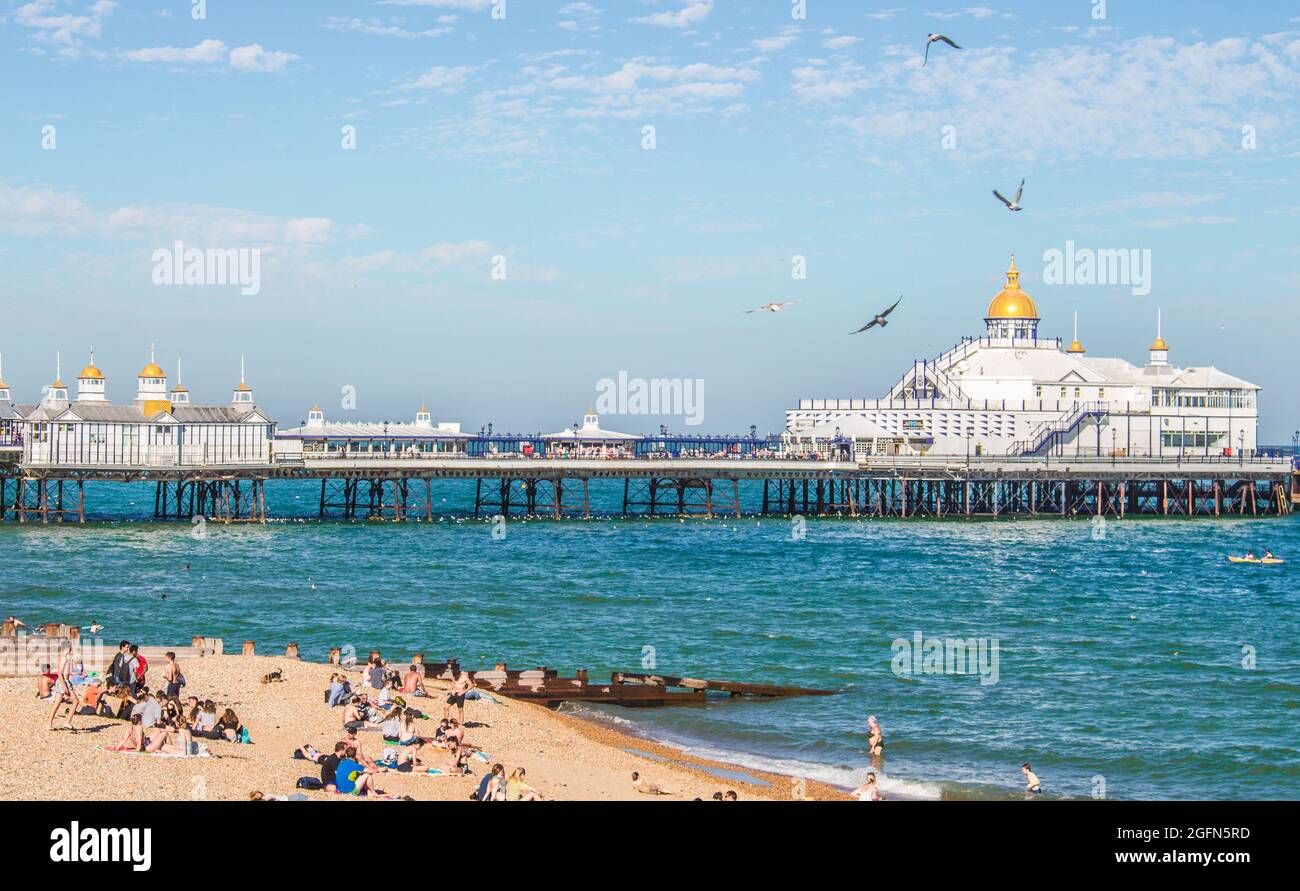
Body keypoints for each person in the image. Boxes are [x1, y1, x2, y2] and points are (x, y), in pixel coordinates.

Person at [47, 642, 81, 731]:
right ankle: (67, 721)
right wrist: (65, 686)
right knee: (76, 701)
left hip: (62, 682)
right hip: (64, 682)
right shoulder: (64, 658)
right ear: (67, 649)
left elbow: (64, 672)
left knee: (57, 703)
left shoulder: (63, 658)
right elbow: (59, 673)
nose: (71, 650)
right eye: (70, 649)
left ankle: (49, 724)